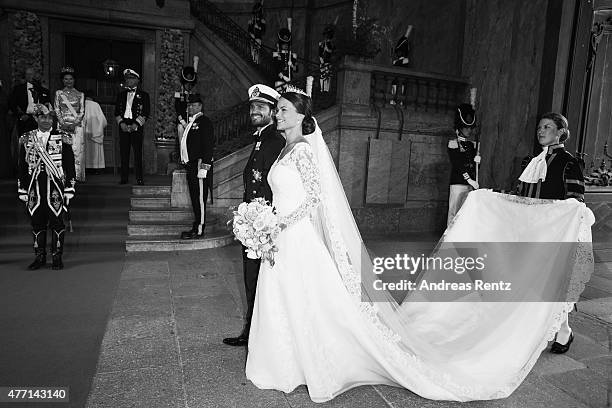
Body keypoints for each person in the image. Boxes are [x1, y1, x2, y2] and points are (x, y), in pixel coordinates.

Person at [244, 89, 594, 402]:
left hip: (548, 231)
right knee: (289, 295)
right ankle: (287, 359)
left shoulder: (565, 162)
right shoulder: (284, 148)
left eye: (284, 109)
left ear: (303, 115)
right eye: (279, 110)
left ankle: (560, 328)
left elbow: (573, 198)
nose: (278, 114)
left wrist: (278, 223)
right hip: (283, 234)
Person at [516, 112, 585, 354]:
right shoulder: (530, 162)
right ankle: (543, 329)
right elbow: (520, 196)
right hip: (531, 231)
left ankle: (562, 330)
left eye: (547, 127)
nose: (541, 131)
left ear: (560, 133)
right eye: (539, 127)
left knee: (553, 285)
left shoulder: (569, 162)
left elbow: (576, 202)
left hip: (555, 234)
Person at [223, 84, 284, 347]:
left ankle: (256, 334)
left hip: (265, 226)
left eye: (261, 107)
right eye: (252, 107)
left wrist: (263, 223)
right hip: (255, 224)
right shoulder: (262, 138)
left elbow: (276, 185)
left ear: (273, 111)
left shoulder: (275, 140)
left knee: (258, 280)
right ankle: (252, 331)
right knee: (253, 279)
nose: (254, 111)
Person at [17, 103, 76, 270]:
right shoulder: (27, 138)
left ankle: (57, 257)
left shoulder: (62, 137)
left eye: (50, 117)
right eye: (43, 117)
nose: (46, 120)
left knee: (57, 222)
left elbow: (70, 166)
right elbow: (22, 166)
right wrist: (22, 189)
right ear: (36, 118)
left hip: (55, 187)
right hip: (34, 188)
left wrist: (69, 188)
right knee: (37, 222)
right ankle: (39, 256)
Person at [179, 94, 214, 239]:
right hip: (191, 165)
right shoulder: (193, 122)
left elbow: (208, 145)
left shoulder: (204, 121)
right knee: (195, 198)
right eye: (189, 105)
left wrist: (204, 167)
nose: (190, 107)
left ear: (200, 106)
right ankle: (196, 225)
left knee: (200, 199)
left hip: (199, 165)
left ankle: (199, 228)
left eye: (193, 105)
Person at [114, 68, 150, 185]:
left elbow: (146, 112)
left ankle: (139, 178)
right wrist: (121, 123)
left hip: (137, 127)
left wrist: (136, 124)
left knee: (137, 154)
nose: (128, 81)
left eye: (131, 78)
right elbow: (116, 112)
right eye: (127, 78)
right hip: (124, 126)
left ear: (137, 80)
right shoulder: (121, 95)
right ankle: (124, 178)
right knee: (124, 153)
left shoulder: (144, 95)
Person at [447, 103, 480, 226]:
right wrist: (469, 179)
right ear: (460, 127)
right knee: (454, 212)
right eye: (466, 127)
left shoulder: (473, 145)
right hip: (458, 182)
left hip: (470, 184)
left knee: (465, 213)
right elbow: (458, 164)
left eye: (470, 128)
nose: (469, 130)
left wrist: (477, 161)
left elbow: (473, 167)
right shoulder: (453, 143)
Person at [55, 67, 85, 181]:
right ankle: (63, 175)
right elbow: (57, 109)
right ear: (63, 80)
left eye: (71, 79)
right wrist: (62, 123)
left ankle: (76, 175)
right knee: (62, 151)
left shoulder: (80, 94)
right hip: (62, 125)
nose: (68, 81)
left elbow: (82, 111)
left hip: (76, 126)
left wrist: (74, 123)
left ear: (74, 80)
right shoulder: (59, 93)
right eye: (66, 79)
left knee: (76, 150)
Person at [9, 67, 51, 136]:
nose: (29, 76)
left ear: (36, 75)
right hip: (25, 119)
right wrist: (21, 116)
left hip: (40, 120)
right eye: (27, 74)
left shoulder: (44, 91)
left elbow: (48, 105)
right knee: (25, 144)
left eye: (31, 74)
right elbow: (12, 104)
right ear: (25, 76)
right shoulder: (18, 89)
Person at [83, 91, 107, 173]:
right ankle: (95, 169)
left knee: (84, 151)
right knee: (95, 152)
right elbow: (103, 120)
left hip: (84, 133)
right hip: (95, 133)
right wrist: (98, 129)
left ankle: (85, 170)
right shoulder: (95, 105)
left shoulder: (81, 104)